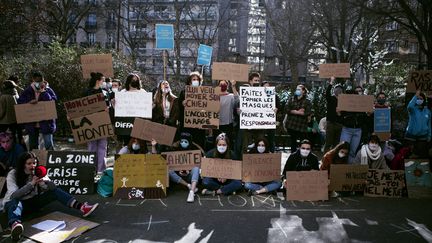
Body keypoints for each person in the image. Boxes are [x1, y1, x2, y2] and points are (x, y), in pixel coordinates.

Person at [4, 152, 98, 240]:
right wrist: (31, 184)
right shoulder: (13, 174)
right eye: (29, 164)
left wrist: (46, 182)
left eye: (34, 163)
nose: (33, 166)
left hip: (31, 203)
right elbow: (13, 195)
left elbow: (53, 188)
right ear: (23, 165)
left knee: (55, 192)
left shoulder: (38, 171)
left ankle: (82, 207)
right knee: (14, 202)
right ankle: (15, 225)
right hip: (16, 205)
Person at [17, 71, 57, 150]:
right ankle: (35, 161)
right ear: (33, 80)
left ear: (43, 80)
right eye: (37, 81)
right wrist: (29, 103)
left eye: (40, 81)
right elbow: (20, 102)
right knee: (33, 145)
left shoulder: (48, 90)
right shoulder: (28, 91)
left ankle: (49, 161)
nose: (39, 83)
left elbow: (53, 101)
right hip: (32, 124)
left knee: (48, 144)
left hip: (46, 123)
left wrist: (44, 92)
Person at [84, 72, 111, 174]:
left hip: (103, 122)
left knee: (102, 147)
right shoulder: (86, 92)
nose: (104, 82)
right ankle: (91, 169)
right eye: (103, 80)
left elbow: (108, 105)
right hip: (90, 123)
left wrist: (109, 108)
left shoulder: (105, 92)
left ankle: (100, 171)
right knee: (92, 147)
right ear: (98, 81)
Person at [168, 132, 204, 203]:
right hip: (179, 176)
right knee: (169, 171)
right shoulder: (175, 150)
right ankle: (188, 186)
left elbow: (202, 155)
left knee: (196, 168)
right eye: (181, 141)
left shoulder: (194, 151)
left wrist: (189, 170)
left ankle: (192, 192)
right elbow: (171, 164)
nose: (183, 143)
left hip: (190, 176)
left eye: (185, 141)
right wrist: (178, 171)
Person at [177, 72, 207, 149]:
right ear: (190, 81)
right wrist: (182, 103)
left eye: (197, 79)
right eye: (194, 79)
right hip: (187, 124)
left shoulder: (205, 92)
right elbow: (178, 108)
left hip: (199, 124)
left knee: (198, 142)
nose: (196, 81)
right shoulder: (184, 93)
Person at [339, 89, 369, 163]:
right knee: (342, 149)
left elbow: (365, 119)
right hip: (347, 129)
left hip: (358, 130)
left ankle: (349, 168)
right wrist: (339, 113)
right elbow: (340, 117)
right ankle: (340, 167)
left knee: (352, 151)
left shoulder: (361, 105)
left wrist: (368, 114)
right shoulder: (345, 104)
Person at [283, 84, 312, 151]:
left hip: (301, 125)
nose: (297, 91)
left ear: (303, 91)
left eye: (299, 89)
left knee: (303, 141)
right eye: (297, 89)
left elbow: (308, 112)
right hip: (291, 124)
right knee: (293, 142)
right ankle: (293, 155)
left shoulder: (307, 101)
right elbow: (286, 109)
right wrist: (297, 112)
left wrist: (294, 111)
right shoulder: (291, 99)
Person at [405, 91, 431, 158]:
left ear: (424, 100)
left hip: (423, 137)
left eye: (421, 99)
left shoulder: (427, 111)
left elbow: (429, 124)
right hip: (411, 136)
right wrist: (415, 96)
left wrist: (429, 136)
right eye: (418, 98)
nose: (419, 100)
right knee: (411, 156)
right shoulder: (412, 109)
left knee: (421, 156)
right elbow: (409, 106)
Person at [324, 77, 343, 152]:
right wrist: (331, 83)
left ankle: (333, 160)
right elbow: (327, 92)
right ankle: (325, 159)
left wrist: (339, 113)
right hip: (331, 123)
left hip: (339, 124)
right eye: (337, 89)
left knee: (336, 144)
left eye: (340, 89)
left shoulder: (344, 101)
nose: (338, 91)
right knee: (328, 142)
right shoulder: (330, 98)